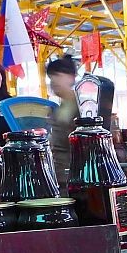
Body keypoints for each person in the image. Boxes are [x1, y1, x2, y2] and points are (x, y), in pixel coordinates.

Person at [45, 55, 79, 189]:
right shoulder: (58, 109)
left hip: (74, 178)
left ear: (71, 77)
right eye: (51, 77)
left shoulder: (83, 107)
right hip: (59, 177)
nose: (53, 81)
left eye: (58, 75)